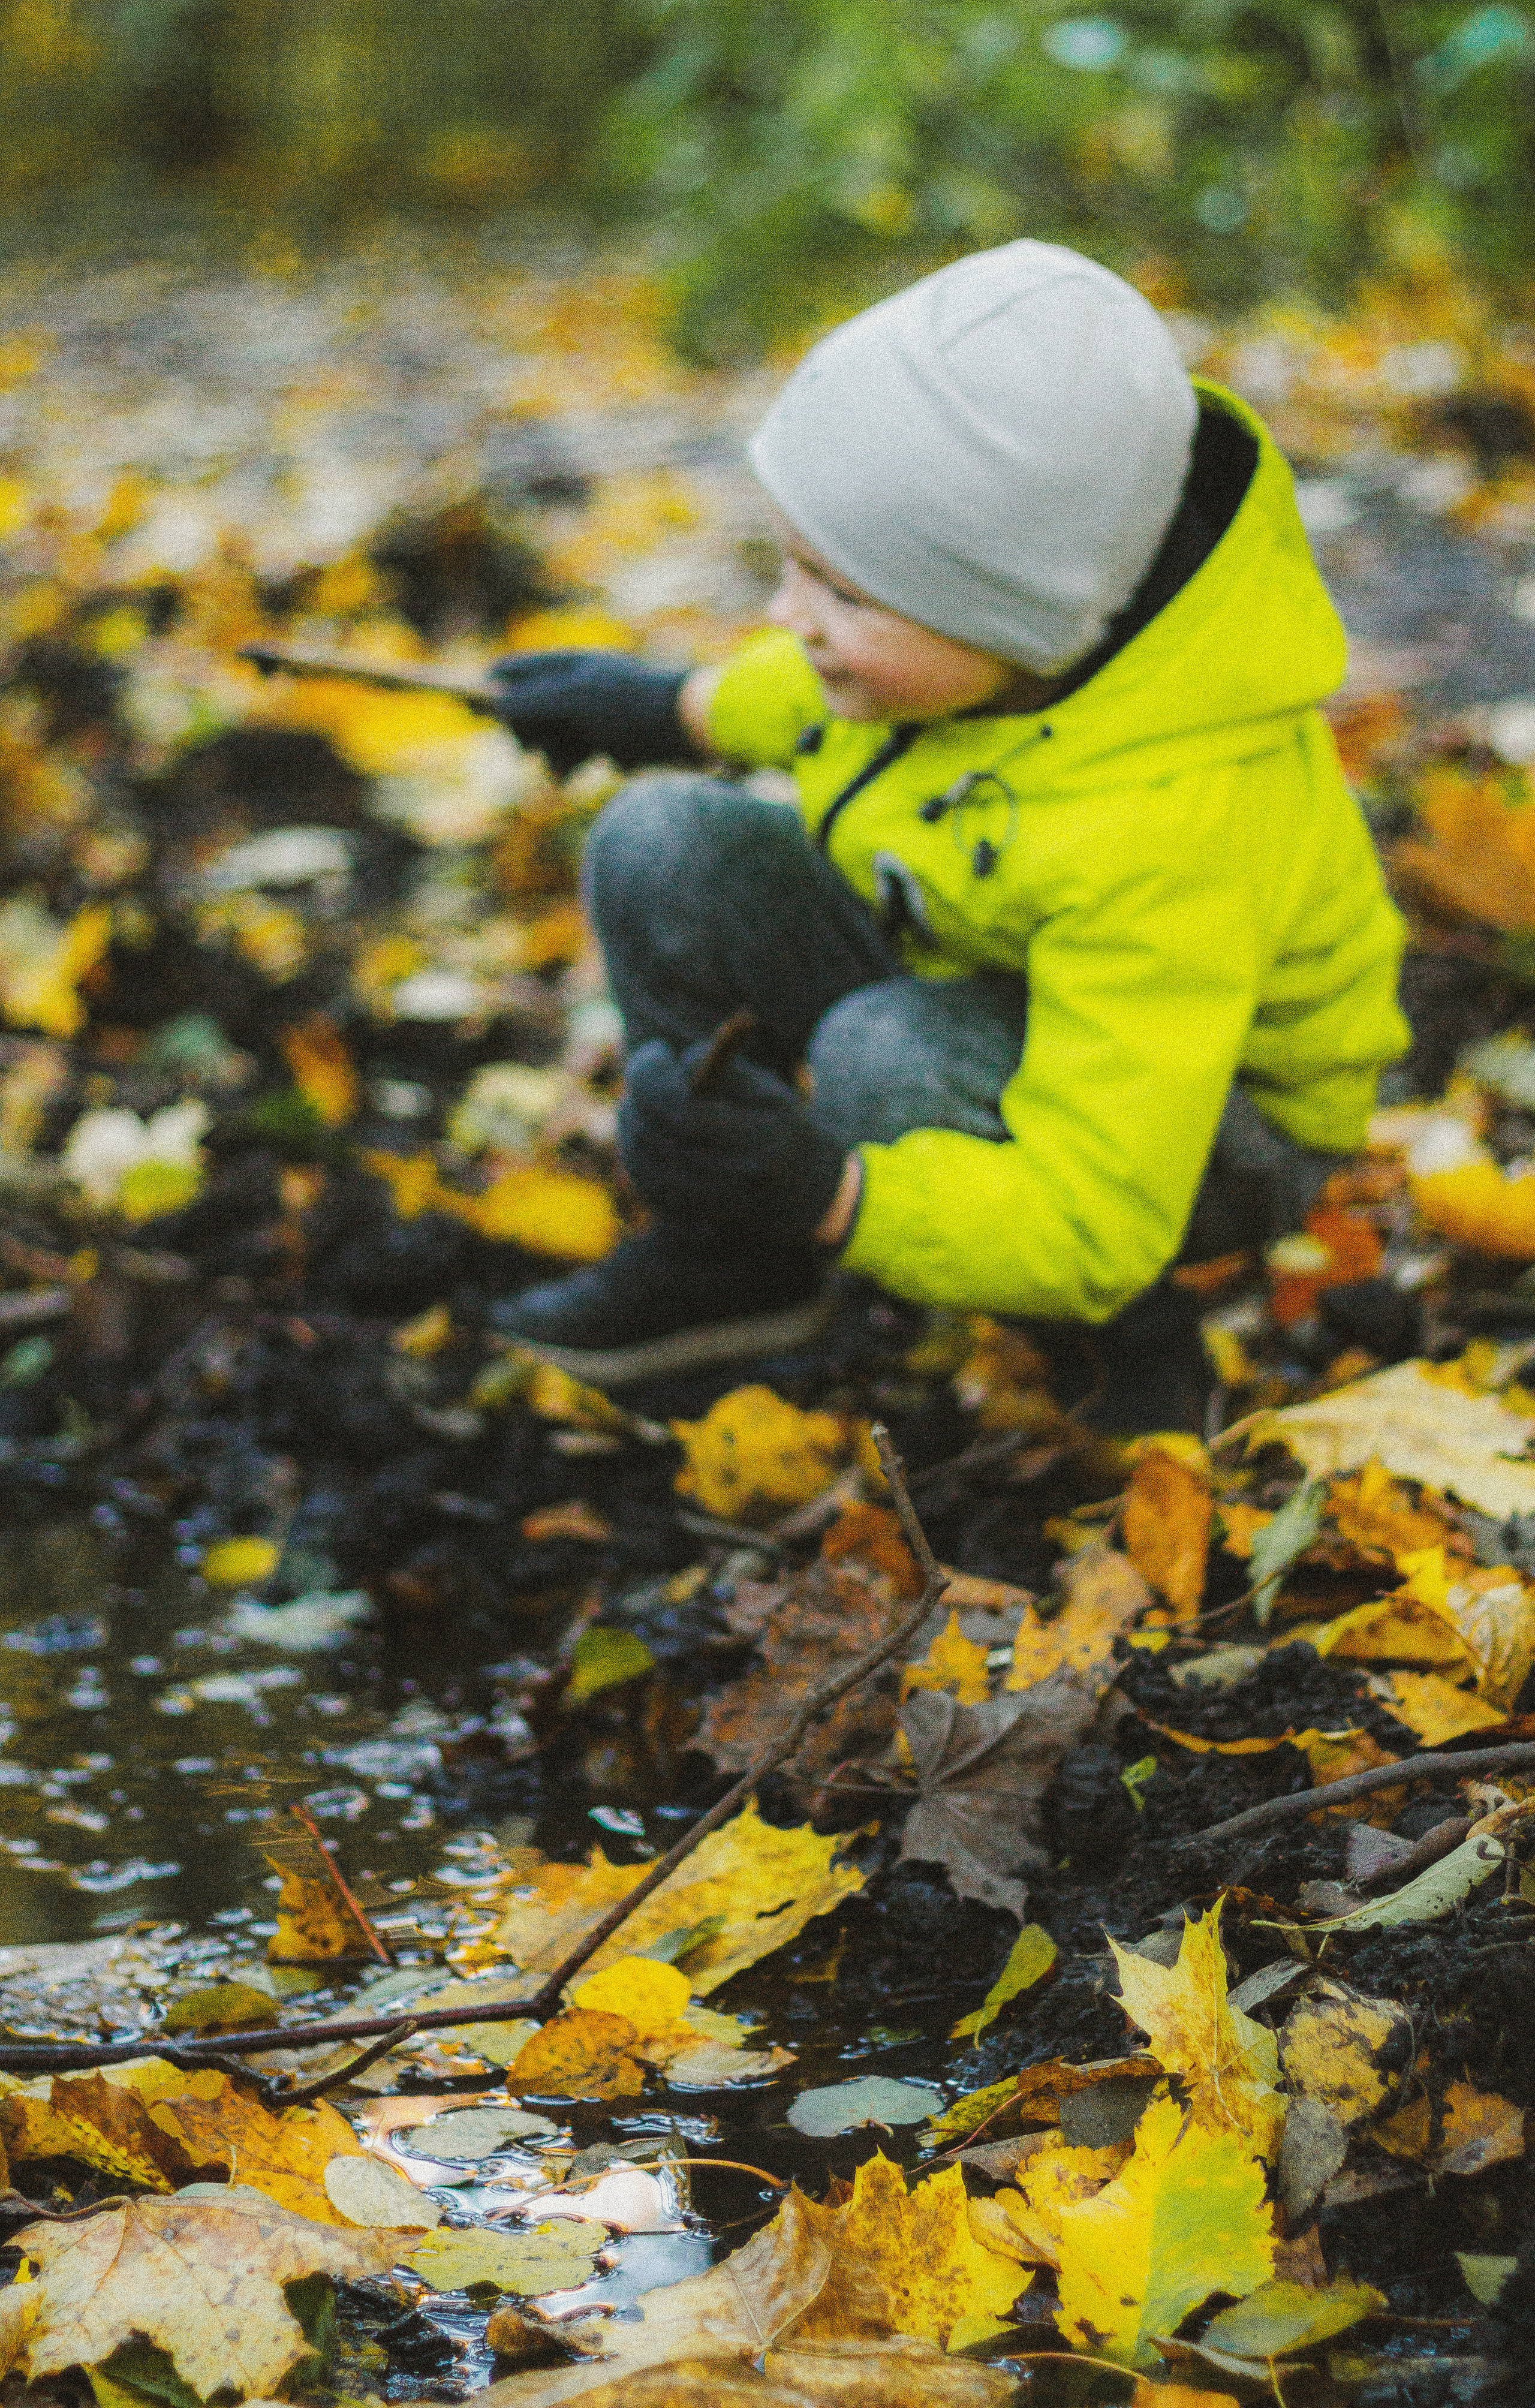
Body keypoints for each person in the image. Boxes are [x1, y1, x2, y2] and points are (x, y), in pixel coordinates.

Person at [485, 239, 1408, 1408]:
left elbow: (1096, 1207)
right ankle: (736, 1254)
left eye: (841, 592)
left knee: (887, 1056)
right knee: (661, 838)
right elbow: (835, 699)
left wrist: (830, 1192)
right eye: (792, 568)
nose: (785, 615)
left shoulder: (1170, 828)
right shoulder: (1000, 654)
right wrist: (669, 708)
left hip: (1211, 1132)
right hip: (980, 968)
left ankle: (1129, 1341)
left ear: (1007, 614)